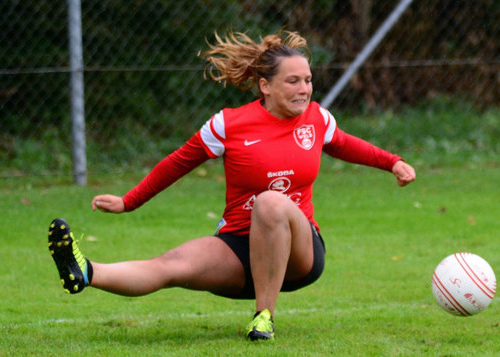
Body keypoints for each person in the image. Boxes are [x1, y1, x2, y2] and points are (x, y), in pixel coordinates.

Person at [47, 30, 416, 341]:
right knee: (171, 265)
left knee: (270, 203)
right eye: (293, 81)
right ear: (265, 86)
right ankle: (86, 271)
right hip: (239, 245)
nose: (304, 88)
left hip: (301, 253)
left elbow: (347, 145)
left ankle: (264, 317)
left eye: (307, 80)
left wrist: (392, 162)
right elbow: (178, 162)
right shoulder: (229, 124)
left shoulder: (317, 118)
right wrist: (129, 202)